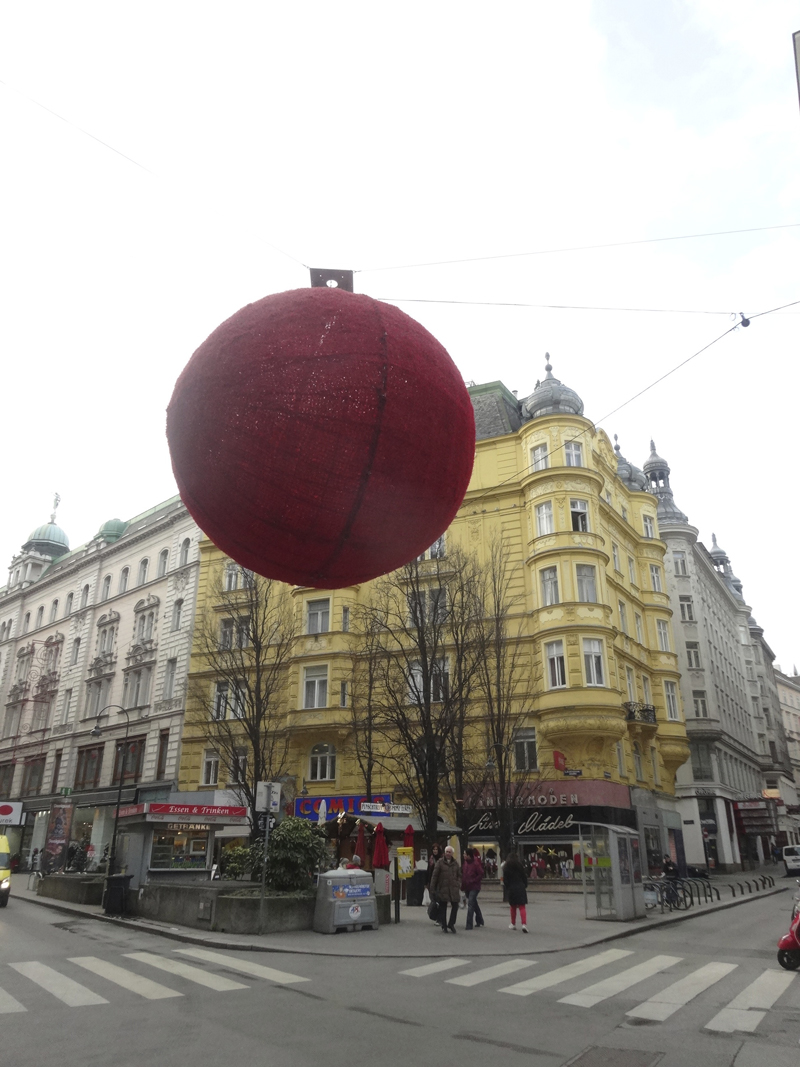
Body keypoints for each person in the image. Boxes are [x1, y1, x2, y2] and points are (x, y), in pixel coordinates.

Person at [430, 845, 461, 933]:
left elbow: (459, 875)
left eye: (449, 852)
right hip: (443, 888)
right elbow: (434, 876)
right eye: (447, 852)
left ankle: (451, 923)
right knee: (443, 907)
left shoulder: (455, 863)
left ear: (452, 853)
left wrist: (458, 883)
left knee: (455, 906)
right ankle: (444, 925)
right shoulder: (440, 862)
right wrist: (432, 888)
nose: (448, 853)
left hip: (453, 889)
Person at [501, 851, 529, 932]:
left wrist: (508, 887)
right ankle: (524, 924)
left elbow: (505, 880)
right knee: (522, 906)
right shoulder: (520, 866)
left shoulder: (506, 867)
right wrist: (525, 885)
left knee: (513, 907)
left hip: (512, 888)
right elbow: (524, 876)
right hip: (520, 886)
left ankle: (513, 923)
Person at [461, 847, 484, 930]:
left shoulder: (476, 863)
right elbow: (464, 875)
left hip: (474, 886)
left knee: (470, 904)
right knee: (474, 903)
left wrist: (474, 880)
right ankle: (480, 920)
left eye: (465, 854)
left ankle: (469, 924)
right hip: (467, 886)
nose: (463, 855)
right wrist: (463, 886)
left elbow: (481, 874)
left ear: (469, 855)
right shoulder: (465, 863)